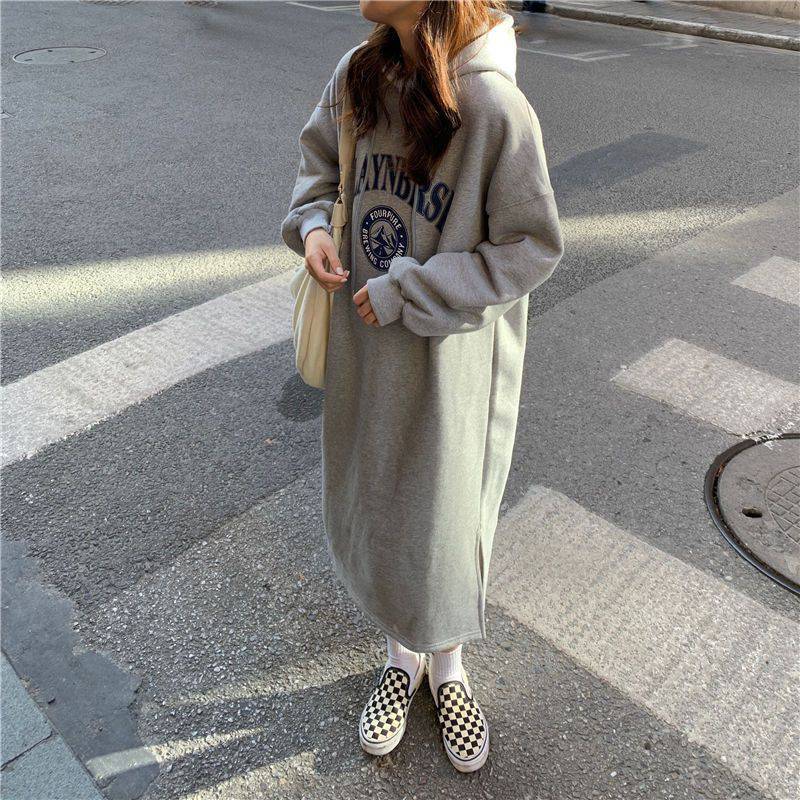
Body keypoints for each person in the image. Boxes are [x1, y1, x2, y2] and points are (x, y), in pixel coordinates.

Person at [281, 0, 564, 773]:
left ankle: (448, 668)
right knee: (380, 493)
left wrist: (411, 289)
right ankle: (400, 657)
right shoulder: (359, 74)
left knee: (444, 512)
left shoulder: (493, 107)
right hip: (365, 346)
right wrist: (314, 228)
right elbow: (317, 172)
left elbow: (531, 246)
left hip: (452, 360)